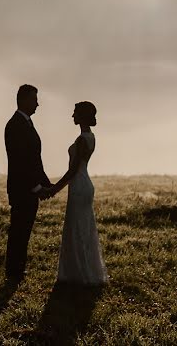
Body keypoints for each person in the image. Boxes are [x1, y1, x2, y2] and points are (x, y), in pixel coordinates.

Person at [49, 101, 109, 286]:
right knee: (83, 228)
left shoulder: (82, 140)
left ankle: (79, 274)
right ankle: (82, 271)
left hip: (79, 185)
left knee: (77, 230)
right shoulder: (91, 137)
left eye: (75, 113)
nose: (72, 116)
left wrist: (54, 188)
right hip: (84, 184)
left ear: (81, 116)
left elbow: (73, 170)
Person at [4, 84, 53, 282]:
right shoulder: (15, 125)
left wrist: (46, 183)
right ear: (24, 100)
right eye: (34, 100)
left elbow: (35, 159)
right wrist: (37, 187)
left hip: (28, 188)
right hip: (21, 189)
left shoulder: (26, 123)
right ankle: (13, 271)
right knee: (18, 230)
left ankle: (17, 269)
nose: (38, 104)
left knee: (24, 230)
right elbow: (20, 161)